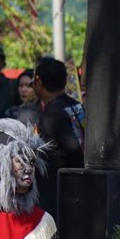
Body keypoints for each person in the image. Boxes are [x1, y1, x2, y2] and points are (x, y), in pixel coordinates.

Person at [31, 57, 84, 216]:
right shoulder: (76, 105)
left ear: (40, 83)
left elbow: (73, 147)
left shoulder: (52, 114)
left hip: (60, 193)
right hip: (78, 186)